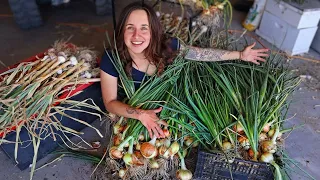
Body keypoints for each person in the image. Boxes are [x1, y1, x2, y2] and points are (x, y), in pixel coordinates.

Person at [100, 1, 269, 139]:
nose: (137, 35)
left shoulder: (169, 46)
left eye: (144, 28)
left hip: (172, 111)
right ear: (122, 31)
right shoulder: (112, 59)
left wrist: (240, 55)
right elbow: (110, 103)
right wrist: (140, 114)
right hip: (135, 116)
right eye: (130, 28)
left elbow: (201, 54)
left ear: (153, 31)